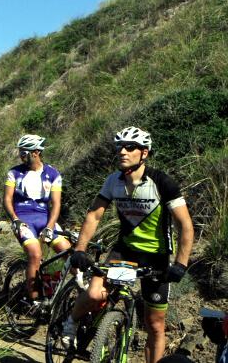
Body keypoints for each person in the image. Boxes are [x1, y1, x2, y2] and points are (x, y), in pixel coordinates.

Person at [62, 127, 194, 363]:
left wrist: (181, 264)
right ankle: (71, 322)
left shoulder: (162, 182)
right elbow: (94, 215)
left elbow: (185, 225)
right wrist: (79, 249)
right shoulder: (113, 180)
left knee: (154, 325)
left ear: (144, 153)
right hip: (125, 250)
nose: (122, 151)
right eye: (119, 147)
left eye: (129, 147)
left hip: (157, 256)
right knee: (94, 293)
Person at [3, 134, 71, 303]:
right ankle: (34, 301)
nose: (21, 156)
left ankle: (75, 287)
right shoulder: (14, 173)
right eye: (20, 152)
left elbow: (56, 204)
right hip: (23, 219)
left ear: (35, 152)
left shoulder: (53, 174)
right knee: (35, 254)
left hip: (45, 219)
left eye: (23, 152)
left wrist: (50, 226)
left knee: (69, 252)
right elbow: (6, 199)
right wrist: (14, 219)